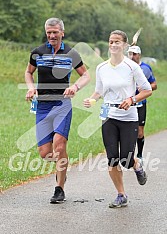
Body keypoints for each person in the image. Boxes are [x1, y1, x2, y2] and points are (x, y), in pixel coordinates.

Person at [83, 30, 152, 208]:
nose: (113, 45)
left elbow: (147, 89)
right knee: (112, 158)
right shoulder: (101, 68)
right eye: (111, 41)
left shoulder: (132, 67)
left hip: (129, 118)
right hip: (109, 117)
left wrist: (131, 99)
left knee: (126, 160)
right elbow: (99, 91)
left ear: (125, 45)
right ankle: (121, 194)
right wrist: (92, 99)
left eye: (117, 42)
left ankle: (136, 165)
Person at [25, 17, 90, 204]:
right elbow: (28, 72)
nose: (52, 35)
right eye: (49, 32)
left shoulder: (71, 53)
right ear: (46, 33)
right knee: (45, 153)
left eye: (55, 32)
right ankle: (64, 165)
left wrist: (75, 88)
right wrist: (31, 88)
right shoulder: (37, 53)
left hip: (62, 105)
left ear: (62, 32)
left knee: (59, 146)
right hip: (43, 107)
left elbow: (85, 75)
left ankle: (59, 188)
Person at [128, 46, 157, 162]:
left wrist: (146, 88)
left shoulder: (145, 68)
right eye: (130, 54)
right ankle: (128, 156)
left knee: (140, 133)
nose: (132, 56)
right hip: (128, 104)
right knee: (128, 132)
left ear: (139, 55)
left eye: (134, 54)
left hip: (140, 104)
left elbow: (154, 84)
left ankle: (139, 156)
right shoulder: (125, 67)